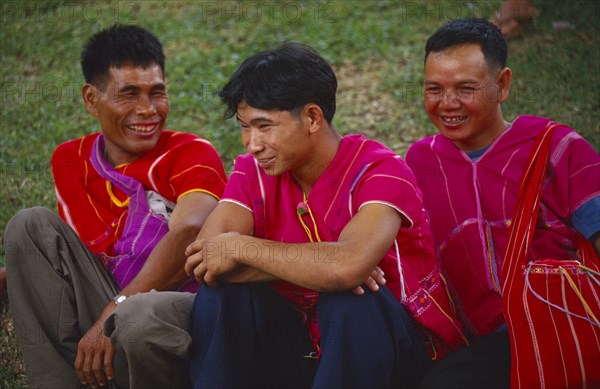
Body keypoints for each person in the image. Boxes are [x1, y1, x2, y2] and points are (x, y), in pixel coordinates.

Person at [184, 42, 468, 388]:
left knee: (351, 298)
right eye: (245, 126)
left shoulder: (381, 170)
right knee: (223, 294)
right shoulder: (252, 172)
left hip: (395, 354)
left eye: (264, 126)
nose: (252, 143)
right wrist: (321, 265)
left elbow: (345, 268)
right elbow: (207, 260)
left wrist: (242, 248)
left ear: (313, 118)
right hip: (301, 347)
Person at [4, 24, 227, 388]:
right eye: (128, 94)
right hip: (109, 297)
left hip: (168, 309)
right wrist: (13, 272)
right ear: (91, 99)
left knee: (137, 317)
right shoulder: (70, 159)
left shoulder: (190, 152)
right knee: (29, 225)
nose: (147, 110)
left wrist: (117, 306)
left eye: (157, 93)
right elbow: (80, 251)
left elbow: (190, 229)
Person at [405, 18, 600, 387]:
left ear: (503, 84)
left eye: (466, 88)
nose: (448, 104)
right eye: (434, 89)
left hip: (565, 324)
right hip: (483, 343)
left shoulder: (555, 146)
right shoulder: (418, 163)